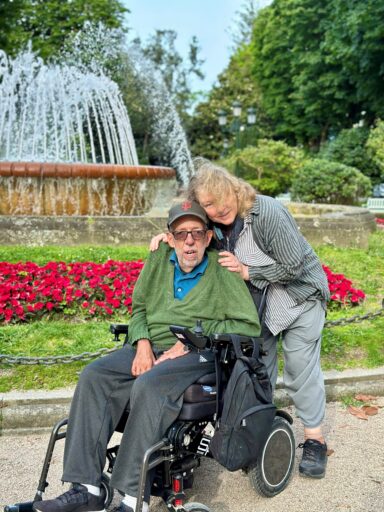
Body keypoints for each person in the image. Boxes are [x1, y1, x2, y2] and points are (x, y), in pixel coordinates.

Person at [33, 200, 260, 512]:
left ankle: (131, 496)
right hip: (150, 345)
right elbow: (139, 309)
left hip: (199, 353)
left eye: (196, 232)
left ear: (208, 237)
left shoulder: (223, 270)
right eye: (181, 234)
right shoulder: (158, 260)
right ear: (170, 237)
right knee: (95, 376)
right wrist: (140, 343)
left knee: (149, 385)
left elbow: (247, 325)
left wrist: (195, 337)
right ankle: (86, 487)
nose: (189, 241)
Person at [150, 160, 331, 479]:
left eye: (220, 199)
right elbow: (193, 232)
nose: (217, 209)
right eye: (208, 204)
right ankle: (260, 432)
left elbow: (294, 266)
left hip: (300, 296)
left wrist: (250, 271)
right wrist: (172, 238)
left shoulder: (268, 212)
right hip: (260, 307)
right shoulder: (212, 222)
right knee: (257, 370)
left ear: (234, 189)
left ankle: (315, 440)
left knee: (300, 370)